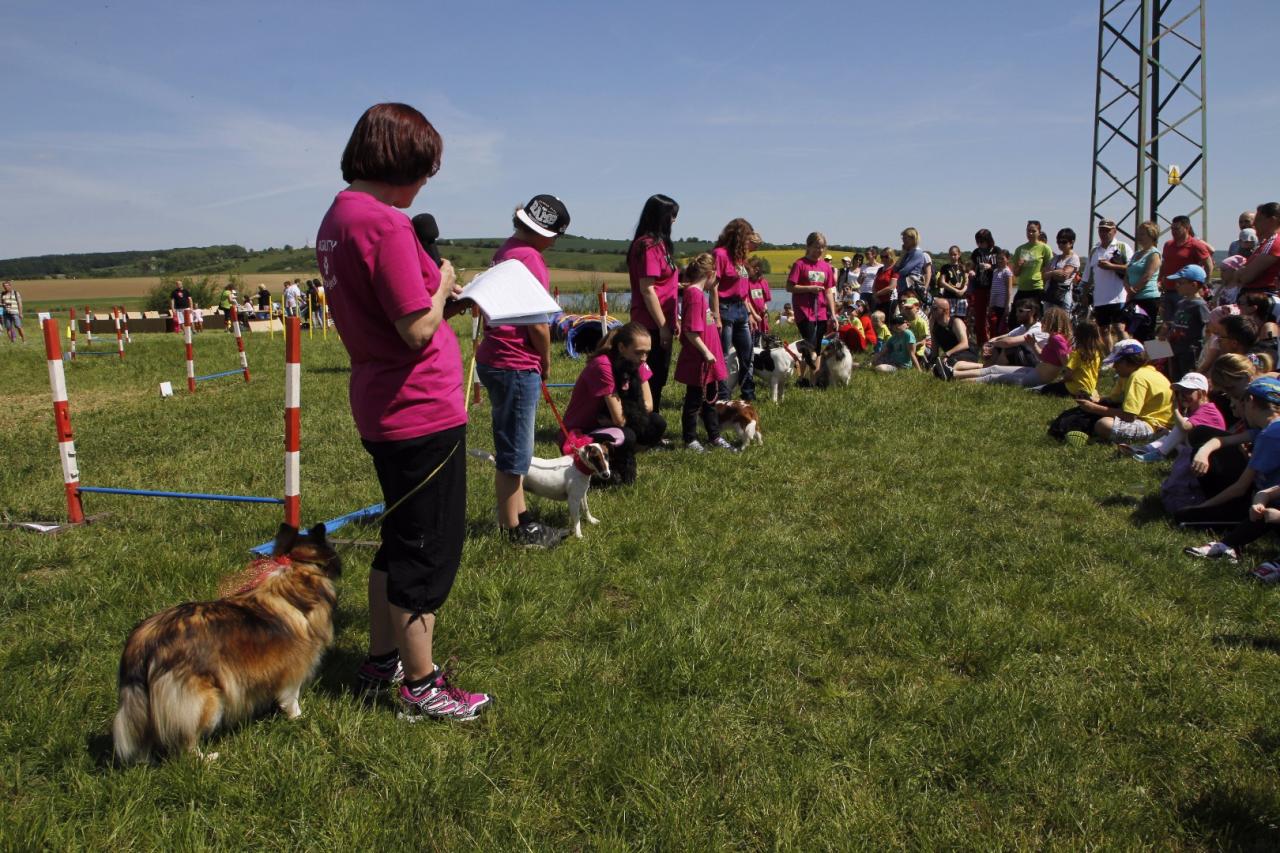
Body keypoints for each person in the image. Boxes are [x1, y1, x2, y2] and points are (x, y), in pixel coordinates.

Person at [316, 101, 490, 721]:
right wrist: (441, 286)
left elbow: (388, 311)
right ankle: (422, 685)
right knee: (427, 549)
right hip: (419, 409)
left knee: (398, 537)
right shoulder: (386, 225)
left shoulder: (340, 216)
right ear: (400, 162)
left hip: (381, 401)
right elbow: (415, 329)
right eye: (423, 170)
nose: (424, 184)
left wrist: (444, 299)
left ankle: (380, 659)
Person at [476, 193, 572, 549]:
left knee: (511, 444)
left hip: (494, 356)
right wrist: (545, 361)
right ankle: (513, 527)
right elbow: (538, 324)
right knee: (515, 452)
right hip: (516, 361)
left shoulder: (507, 250)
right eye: (555, 237)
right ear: (547, 233)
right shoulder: (531, 258)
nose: (553, 244)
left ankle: (520, 517)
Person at [1181, 377, 1280, 564]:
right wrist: (1204, 451)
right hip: (1264, 498)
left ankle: (1228, 544)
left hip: (1265, 504)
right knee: (1203, 435)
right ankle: (1229, 545)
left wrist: (1203, 507)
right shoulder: (1267, 429)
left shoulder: (1270, 435)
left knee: (1185, 517)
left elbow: (1240, 488)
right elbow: (1221, 440)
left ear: (1250, 401)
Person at [562, 322, 667, 484]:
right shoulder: (603, 365)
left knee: (656, 423)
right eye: (639, 352)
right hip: (582, 430)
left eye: (647, 352)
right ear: (622, 348)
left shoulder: (636, 361)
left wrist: (622, 418)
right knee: (627, 435)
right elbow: (619, 420)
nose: (644, 358)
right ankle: (604, 466)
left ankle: (616, 460)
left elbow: (649, 405)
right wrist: (627, 416)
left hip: (611, 420)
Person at [626, 194, 680, 413]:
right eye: (672, 215)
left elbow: (665, 284)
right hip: (650, 324)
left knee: (659, 377)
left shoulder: (661, 245)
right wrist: (663, 326)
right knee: (649, 378)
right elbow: (647, 289)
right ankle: (645, 422)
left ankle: (651, 419)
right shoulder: (648, 246)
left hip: (662, 321)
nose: (674, 220)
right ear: (661, 217)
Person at [675, 253, 733, 452]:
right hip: (699, 360)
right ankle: (690, 439)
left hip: (708, 359)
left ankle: (714, 436)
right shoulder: (694, 295)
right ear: (710, 274)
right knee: (694, 401)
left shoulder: (699, 295)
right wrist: (707, 352)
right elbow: (691, 331)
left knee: (710, 401)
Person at [1078, 340, 1173, 443]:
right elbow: (1115, 399)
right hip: (1147, 420)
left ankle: (1153, 438)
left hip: (1153, 427)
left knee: (1103, 425)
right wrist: (1097, 400)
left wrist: (1093, 408)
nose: (1114, 366)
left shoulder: (1137, 377)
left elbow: (1129, 416)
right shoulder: (1136, 373)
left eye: (1117, 362)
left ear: (1128, 361)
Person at [953, 306, 1071, 386]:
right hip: (1035, 371)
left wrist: (1066, 379)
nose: (1042, 321)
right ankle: (954, 373)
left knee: (993, 377)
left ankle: (956, 379)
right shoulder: (1053, 337)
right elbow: (1043, 357)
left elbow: (1066, 362)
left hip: (1038, 377)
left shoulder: (1057, 339)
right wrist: (1034, 345)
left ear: (1052, 322)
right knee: (994, 369)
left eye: (1045, 319)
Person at [1121, 372, 1225, 462]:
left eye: (1187, 391)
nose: (1182, 395)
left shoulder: (1207, 409)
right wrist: (1168, 433)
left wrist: (1175, 409)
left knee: (1183, 422)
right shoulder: (1194, 408)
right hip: (1195, 447)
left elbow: (1185, 427)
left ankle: (1159, 454)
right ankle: (1145, 449)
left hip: (1208, 453)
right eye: (1181, 391)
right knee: (1169, 434)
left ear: (1202, 393)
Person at [711, 219, 758, 401]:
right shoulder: (720, 254)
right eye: (747, 238)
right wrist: (716, 316)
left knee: (747, 354)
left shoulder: (740, 258)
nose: (748, 243)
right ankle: (723, 396)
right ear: (738, 237)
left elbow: (743, 290)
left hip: (741, 310)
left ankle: (748, 393)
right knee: (723, 356)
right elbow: (714, 288)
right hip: (725, 308)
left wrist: (750, 314)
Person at [786, 231, 838, 355]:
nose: (820, 250)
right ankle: (806, 366)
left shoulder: (826, 267)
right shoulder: (800, 264)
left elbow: (828, 291)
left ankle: (810, 368)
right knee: (811, 344)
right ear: (808, 246)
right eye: (816, 247)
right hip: (803, 311)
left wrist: (833, 314)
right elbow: (789, 287)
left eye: (822, 247)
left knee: (817, 347)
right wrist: (810, 288)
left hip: (821, 312)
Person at [1159, 215, 1215, 325]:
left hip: (1185, 292)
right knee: (1168, 324)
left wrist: (1205, 283)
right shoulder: (1168, 245)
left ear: (1187, 228)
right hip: (1168, 290)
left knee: (1184, 324)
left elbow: (1208, 264)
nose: (1173, 232)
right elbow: (1164, 264)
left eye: (1177, 229)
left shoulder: (1195, 245)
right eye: (1172, 229)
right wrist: (1159, 280)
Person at [1086, 218, 1131, 349]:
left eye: (1107, 230)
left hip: (1119, 296)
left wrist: (1111, 266)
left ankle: (1127, 354)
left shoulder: (1123, 247)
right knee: (1104, 330)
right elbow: (1087, 275)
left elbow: (1132, 268)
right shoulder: (1094, 250)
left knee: (1120, 328)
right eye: (1101, 230)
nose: (1103, 233)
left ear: (1114, 231)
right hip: (1100, 298)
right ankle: (1110, 356)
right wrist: (1084, 293)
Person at [1166, 265, 1212, 380]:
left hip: (1190, 352)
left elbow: (1209, 329)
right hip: (1176, 348)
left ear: (1194, 285)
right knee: (1174, 378)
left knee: (1188, 379)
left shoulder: (1200, 305)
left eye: (1180, 283)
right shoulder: (1181, 303)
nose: (1176, 285)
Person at [1124, 221, 1162, 341]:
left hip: (1148, 298)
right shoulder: (1136, 254)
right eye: (1138, 234)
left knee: (1147, 333)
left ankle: (1151, 353)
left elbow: (1147, 276)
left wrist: (1133, 291)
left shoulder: (1154, 254)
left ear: (1152, 235)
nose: (1139, 237)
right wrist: (1128, 288)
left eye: (1142, 234)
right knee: (1135, 333)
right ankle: (1138, 353)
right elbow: (1127, 273)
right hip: (1134, 299)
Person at [1235, 202, 1280, 295]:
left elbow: (1245, 277)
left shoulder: (1274, 243)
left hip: (1262, 297)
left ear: (1272, 220)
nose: (1254, 224)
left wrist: (1241, 271)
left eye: (1258, 220)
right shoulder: (1266, 242)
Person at [925, 297, 974, 379]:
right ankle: (949, 371)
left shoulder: (956, 322)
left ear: (945, 310)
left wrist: (947, 354)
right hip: (951, 355)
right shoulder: (933, 323)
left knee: (951, 362)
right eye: (932, 308)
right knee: (938, 367)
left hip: (966, 352)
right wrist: (933, 360)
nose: (932, 310)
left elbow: (965, 344)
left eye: (935, 308)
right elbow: (934, 345)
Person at [1011, 220, 1053, 308]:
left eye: (1033, 231)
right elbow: (1015, 273)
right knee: (1017, 314)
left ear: (1039, 232)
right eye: (1028, 231)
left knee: (1036, 314)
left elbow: (1050, 269)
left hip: (1037, 288)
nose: (1030, 233)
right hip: (1022, 288)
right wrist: (1019, 265)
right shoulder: (1020, 249)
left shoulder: (1045, 248)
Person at [968, 229, 998, 345]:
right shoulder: (976, 252)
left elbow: (1003, 267)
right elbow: (971, 266)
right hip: (979, 287)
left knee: (993, 316)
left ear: (988, 240)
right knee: (979, 317)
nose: (979, 244)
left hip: (993, 287)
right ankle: (982, 343)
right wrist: (971, 271)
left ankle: (995, 342)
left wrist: (991, 267)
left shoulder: (996, 251)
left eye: (982, 242)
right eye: (978, 242)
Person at [1044, 228, 1079, 313]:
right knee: (1047, 319)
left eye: (1064, 242)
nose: (1060, 244)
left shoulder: (1074, 258)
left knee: (1063, 320)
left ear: (1071, 242)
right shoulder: (1055, 258)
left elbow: (1064, 276)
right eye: (1058, 242)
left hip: (1063, 295)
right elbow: (1044, 275)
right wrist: (1055, 273)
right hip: (1050, 294)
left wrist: (1051, 273)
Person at [893, 228, 932, 303]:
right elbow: (894, 269)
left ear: (913, 238)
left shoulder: (917, 253)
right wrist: (902, 255)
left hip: (910, 287)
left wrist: (899, 270)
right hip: (902, 287)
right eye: (903, 238)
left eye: (905, 238)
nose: (903, 240)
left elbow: (904, 271)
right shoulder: (907, 253)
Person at [935, 245, 969, 318]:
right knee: (949, 319)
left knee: (961, 319)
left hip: (962, 298)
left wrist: (962, 291)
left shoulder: (963, 267)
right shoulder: (945, 267)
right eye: (951, 255)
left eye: (955, 255)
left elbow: (966, 282)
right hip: (949, 297)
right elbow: (942, 282)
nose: (953, 257)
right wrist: (956, 291)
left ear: (959, 255)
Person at [746, 257, 771, 345]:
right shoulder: (747, 282)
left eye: (748, 269)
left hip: (762, 316)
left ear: (756, 270)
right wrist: (754, 315)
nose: (746, 271)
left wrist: (766, 311)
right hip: (752, 316)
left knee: (762, 339)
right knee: (752, 339)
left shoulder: (763, 282)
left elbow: (765, 300)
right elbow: (747, 301)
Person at [988, 248, 1013, 336]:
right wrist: (990, 304)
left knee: (1001, 327)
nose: (1000, 260)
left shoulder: (1007, 272)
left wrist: (1007, 306)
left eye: (1002, 258)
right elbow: (993, 289)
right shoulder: (995, 271)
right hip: (994, 303)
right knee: (993, 325)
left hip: (1002, 304)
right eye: (998, 258)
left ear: (1007, 259)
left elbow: (1009, 290)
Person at [872, 247, 900, 318]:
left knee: (887, 322)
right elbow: (874, 284)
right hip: (878, 301)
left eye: (886, 256)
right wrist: (875, 295)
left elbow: (891, 287)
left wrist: (876, 294)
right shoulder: (880, 269)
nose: (883, 258)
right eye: (882, 256)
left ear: (891, 256)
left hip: (889, 301)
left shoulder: (895, 269)